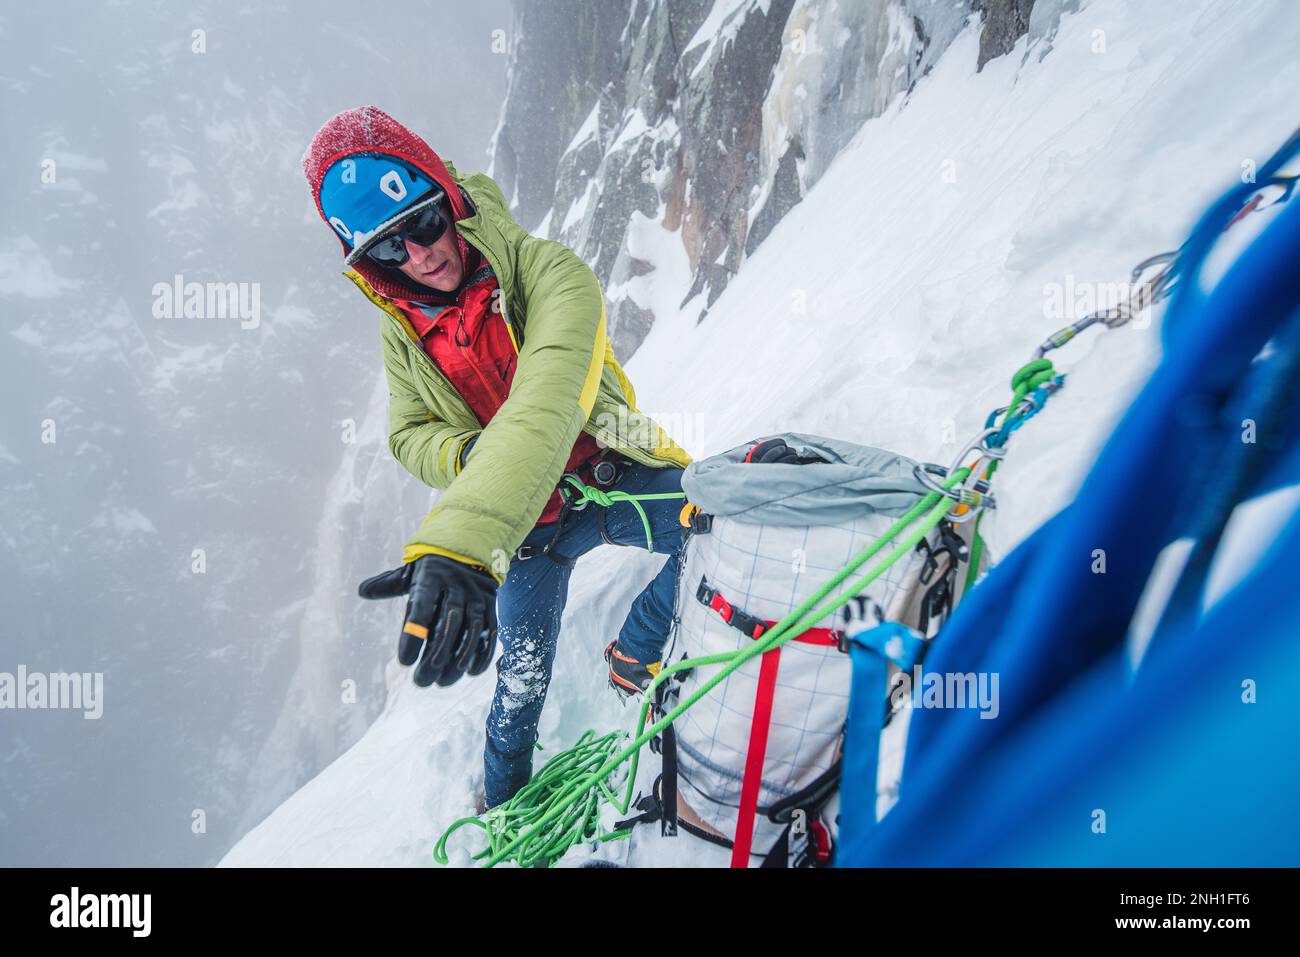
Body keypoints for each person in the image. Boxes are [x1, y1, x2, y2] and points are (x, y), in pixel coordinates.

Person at [302, 106, 692, 808]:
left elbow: (547, 400)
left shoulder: (552, 274)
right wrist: (467, 453)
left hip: (603, 476)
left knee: (716, 521)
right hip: (527, 535)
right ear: (372, 269)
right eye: (390, 250)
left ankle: (637, 647)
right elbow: (409, 431)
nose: (421, 255)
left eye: (422, 223)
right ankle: (505, 815)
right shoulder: (402, 333)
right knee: (519, 684)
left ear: (450, 204)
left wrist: (462, 538)